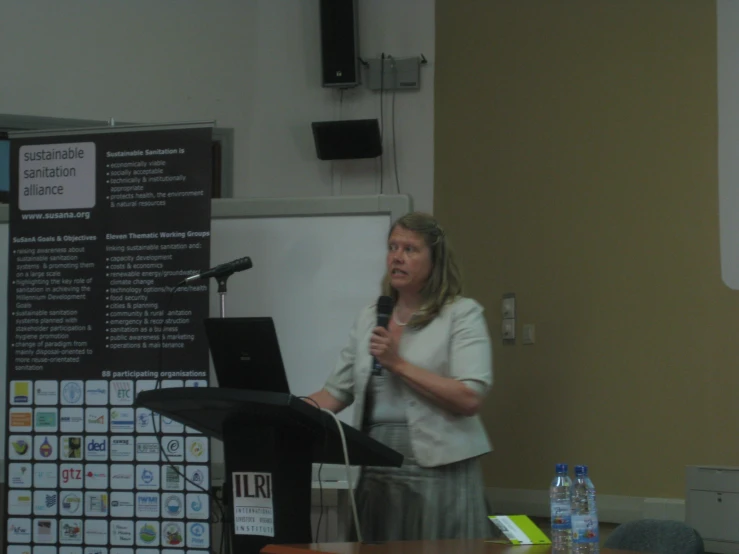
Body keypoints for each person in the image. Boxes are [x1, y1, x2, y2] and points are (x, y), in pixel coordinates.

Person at [308, 211, 494, 542]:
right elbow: (334, 394)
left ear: (434, 260)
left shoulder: (461, 314)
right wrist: (283, 409)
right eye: (392, 247)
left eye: (410, 249)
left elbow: (470, 398)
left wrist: (399, 364)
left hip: (439, 470)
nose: (397, 256)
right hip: (377, 465)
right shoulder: (371, 317)